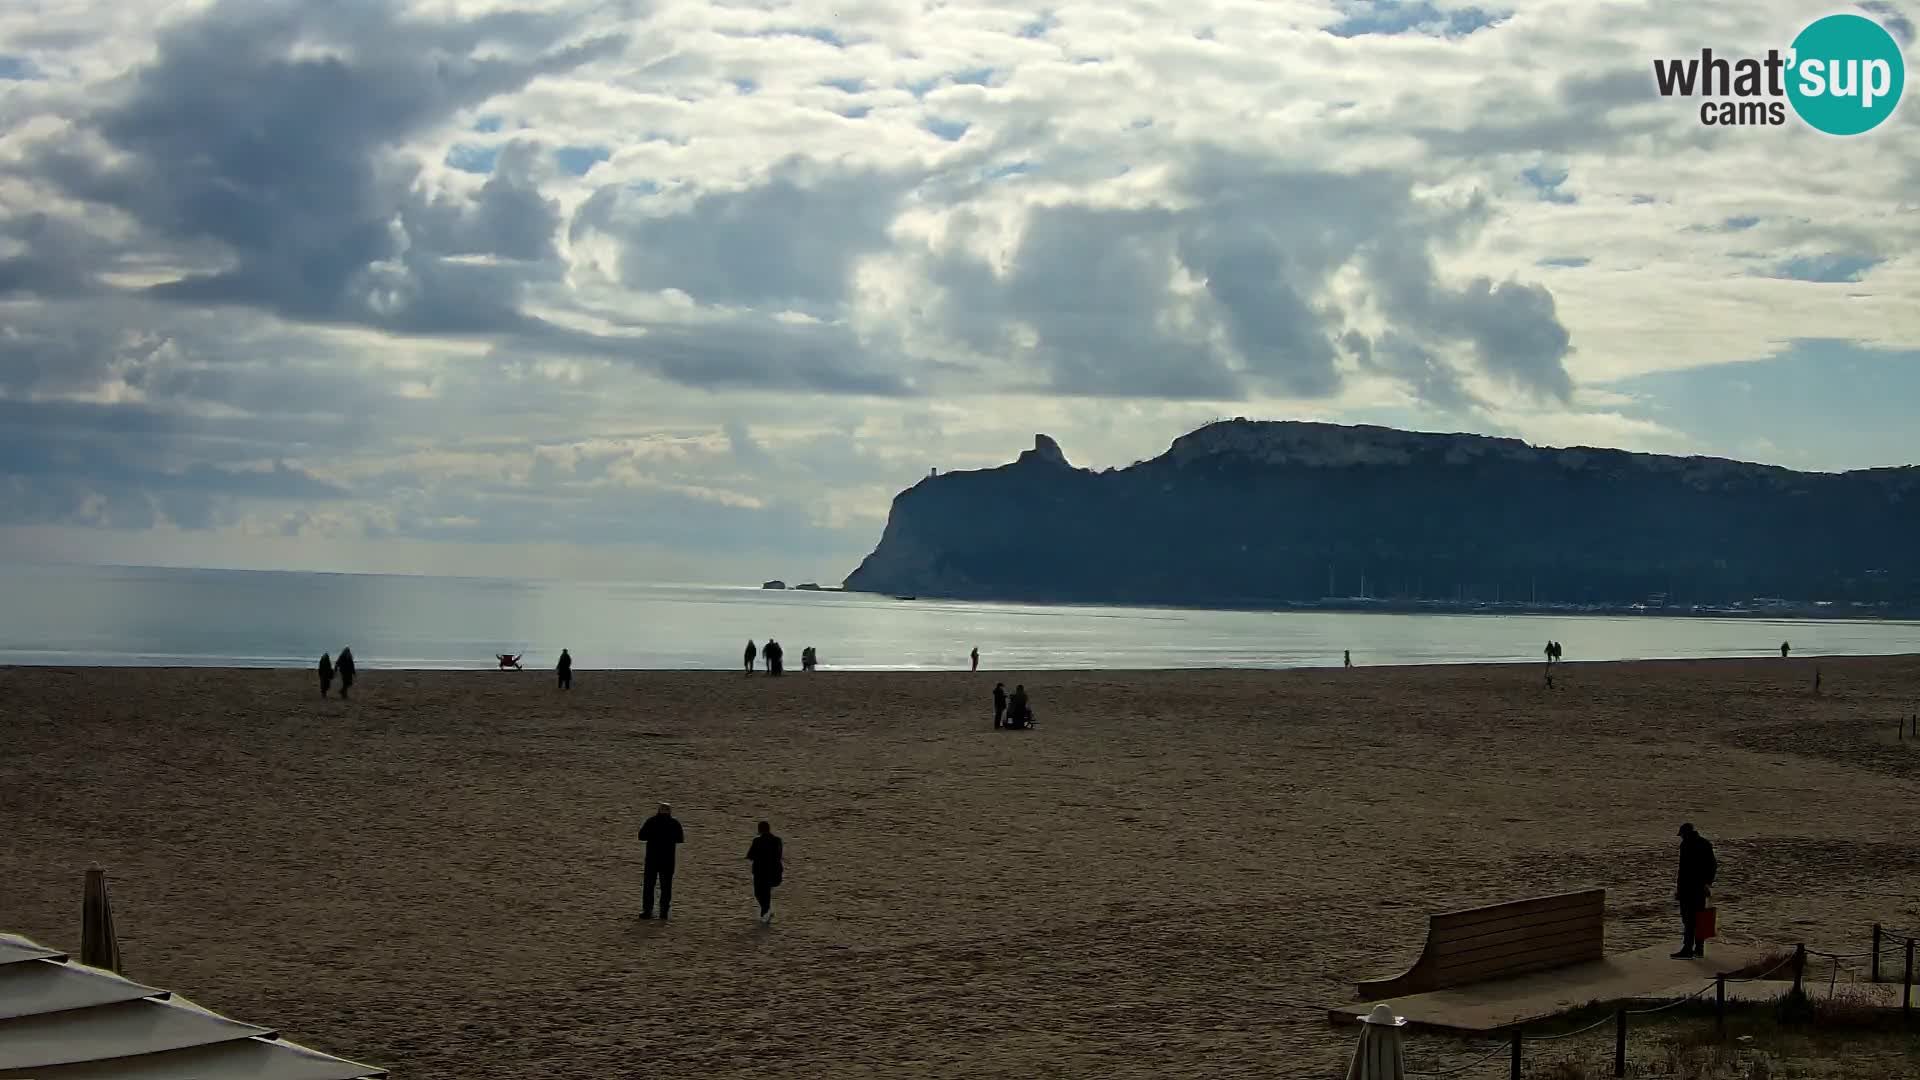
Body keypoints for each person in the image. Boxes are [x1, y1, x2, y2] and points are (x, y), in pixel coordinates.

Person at [1673, 823, 1717, 959]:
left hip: (1688, 888)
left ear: (1684, 834)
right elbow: (1713, 865)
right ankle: (1699, 949)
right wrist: (1707, 883)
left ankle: (1687, 949)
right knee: (1700, 919)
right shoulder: (1705, 844)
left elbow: (1683, 871)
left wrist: (1679, 890)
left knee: (1688, 920)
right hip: (1700, 889)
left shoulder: (1686, 845)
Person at [638, 803, 685, 920]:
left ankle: (647, 911)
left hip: (652, 859)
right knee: (666, 887)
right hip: (668, 860)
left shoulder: (651, 821)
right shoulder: (674, 823)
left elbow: (641, 836)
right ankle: (663, 912)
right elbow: (680, 839)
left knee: (649, 886)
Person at [746, 820, 784, 924]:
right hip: (774, 871)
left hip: (760, 871)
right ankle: (766, 911)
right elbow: (779, 855)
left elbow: (750, 855)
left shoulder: (757, 841)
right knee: (766, 892)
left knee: (759, 893)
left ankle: (766, 910)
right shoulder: (777, 840)